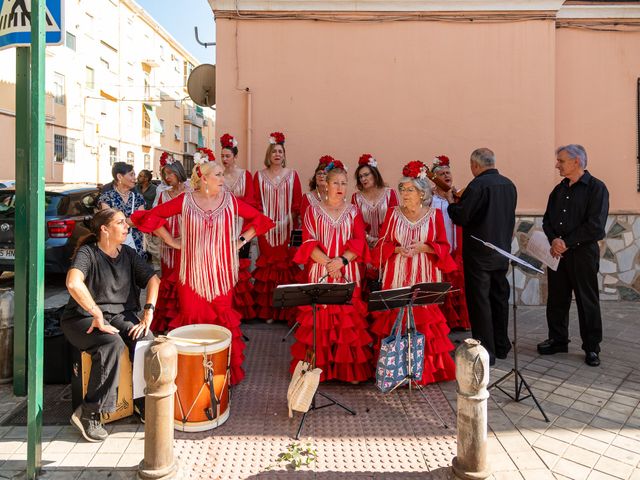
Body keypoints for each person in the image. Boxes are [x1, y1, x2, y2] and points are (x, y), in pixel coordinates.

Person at [131, 153, 275, 384]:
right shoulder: (185, 200)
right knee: (191, 321)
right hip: (191, 276)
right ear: (204, 178)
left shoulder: (230, 201)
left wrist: (240, 241)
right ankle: (192, 376)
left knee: (222, 321)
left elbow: (260, 220)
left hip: (221, 276)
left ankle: (221, 376)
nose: (222, 179)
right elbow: (150, 216)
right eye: (218, 175)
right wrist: (170, 240)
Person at [61, 208, 159, 442]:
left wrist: (148, 314)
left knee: (146, 341)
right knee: (111, 344)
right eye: (120, 222)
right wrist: (96, 313)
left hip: (119, 315)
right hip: (81, 316)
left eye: (126, 223)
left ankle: (140, 402)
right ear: (104, 229)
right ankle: (89, 413)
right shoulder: (88, 252)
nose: (127, 226)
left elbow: (154, 279)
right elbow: (73, 283)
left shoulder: (128, 253)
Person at [371, 161, 457, 385]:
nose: (404, 194)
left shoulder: (434, 215)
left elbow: (443, 247)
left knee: (423, 321)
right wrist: (397, 249)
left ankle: (422, 371)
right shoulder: (392, 214)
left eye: (409, 190)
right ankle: (395, 370)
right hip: (396, 276)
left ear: (422, 193)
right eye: (402, 189)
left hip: (424, 275)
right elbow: (381, 245)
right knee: (395, 320)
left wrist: (423, 247)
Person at [291, 160, 373, 383]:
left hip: (347, 271)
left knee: (348, 321)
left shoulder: (353, 211)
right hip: (321, 270)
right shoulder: (312, 211)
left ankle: (349, 372)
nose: (340, 186)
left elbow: (359, 241)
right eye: (336, 182)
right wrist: (330, 263)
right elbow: (308, 243)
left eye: (344, 183)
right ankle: (320, 370)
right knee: (321, 321)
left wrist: (342, 261)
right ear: (325, 184)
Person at [538, 145, 609, 367]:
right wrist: (554, 240)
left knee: (587, 301)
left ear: (576, 161)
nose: (557, 164)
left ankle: (591, 347)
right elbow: (547, 220)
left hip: (583, 255)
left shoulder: (597, 189)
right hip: (558, 255)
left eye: (561, 161)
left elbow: (595, 226)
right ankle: (558, 340)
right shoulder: (558, 190)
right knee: (557, 299)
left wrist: (566, 242)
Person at [447, 148, 517, 366]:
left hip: (479, 254)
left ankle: (486, 351)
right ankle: (502, 345)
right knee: (499, 298)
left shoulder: (476, 185)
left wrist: (451, 203)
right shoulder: (509, 185)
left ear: (475, 165)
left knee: (480, 302)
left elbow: (462, 216)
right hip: (501, 251)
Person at [253, 132, 302, 323]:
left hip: (287, 228)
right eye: (274, 151)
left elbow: (297, 203)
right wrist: (266, 221)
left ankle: (286, 311)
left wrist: (286, 220)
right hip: (266, 231)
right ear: (269, 154)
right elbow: (256, 203)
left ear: (284, 154)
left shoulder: (292, 175)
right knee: (269, 267)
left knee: (286, 265)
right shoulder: (259, 176)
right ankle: (270, 312)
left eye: (280, 151)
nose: (277, 154)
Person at [150, 152, 189, 333]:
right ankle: (170, 321)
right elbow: (155, 218)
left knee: (184, 280)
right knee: (168, 279)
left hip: (187, 245)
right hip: (167, 245)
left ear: (179, 173)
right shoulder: (163, 195)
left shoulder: (191, 193)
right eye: (165, 174)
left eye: (170, 173)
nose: (167, 177)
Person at [430, 155, 470, 331]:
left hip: (456, 248)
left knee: (459, 285)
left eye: (448, 172)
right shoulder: (430, 199)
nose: (446, 176)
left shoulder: (458, 196)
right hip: (439, 248)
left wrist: (451, 198)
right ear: (434, 178)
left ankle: (460, 321)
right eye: (442, 173)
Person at [220, 133, 256, 321]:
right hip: (222, 227)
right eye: (222, 156)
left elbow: (251, 201)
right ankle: (226, 305)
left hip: (241, 227)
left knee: (240, 268)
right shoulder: (218, 176)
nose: (225, 159)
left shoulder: (245, 175)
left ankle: (240, 310)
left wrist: (234, 204)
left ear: (235, 156)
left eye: (228, 156)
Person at [99, 162, 146, 257]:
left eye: (135, 174)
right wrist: (132, 222)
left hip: (136, 245)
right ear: (120, 177)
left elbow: (142, 220)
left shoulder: (138, 197)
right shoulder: (107, 197)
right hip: (114, 246)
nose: (135, 178)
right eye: (131, 174)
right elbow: (108, 222)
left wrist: (119, 223)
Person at [351, 154, 399, 249]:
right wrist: (368, 238)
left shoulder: (390, 193)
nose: (363, 179)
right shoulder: (356, 198)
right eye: (360, 177)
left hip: (386, 246)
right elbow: (355, 224)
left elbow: (395, 220)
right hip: (365, 246)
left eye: (366, 175)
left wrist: (381, 240)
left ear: (374, 173)